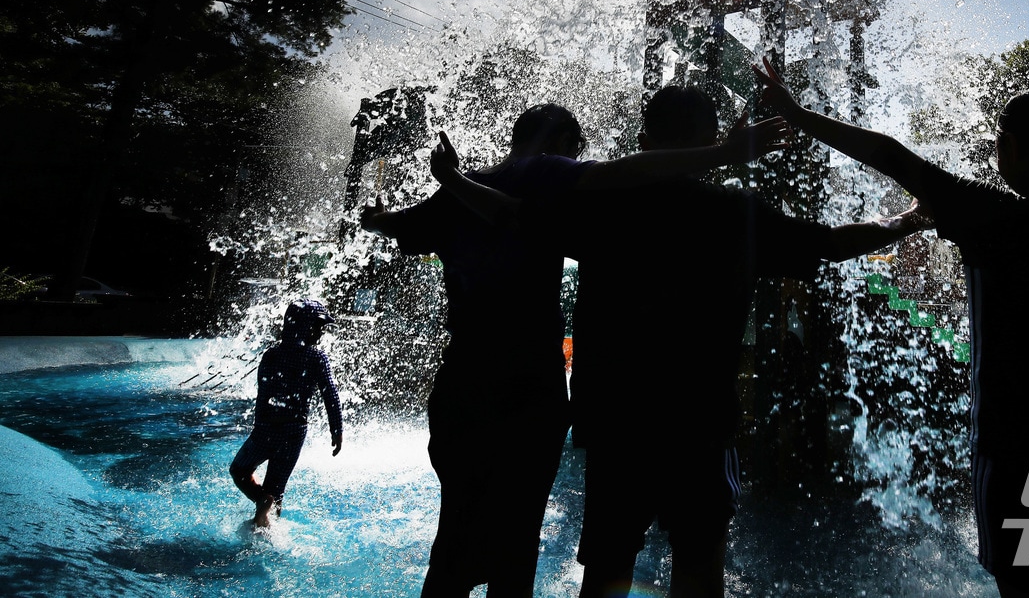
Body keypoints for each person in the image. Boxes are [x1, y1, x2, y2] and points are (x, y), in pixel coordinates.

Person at [428, 85, 933, 598]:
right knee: (699, 561)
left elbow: (510, 214)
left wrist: (454, 180)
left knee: (607, 567)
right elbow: (833, 243)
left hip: (614, 422)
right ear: (710, 139)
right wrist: (909, 219)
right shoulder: (738, 215)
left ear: (644, 140)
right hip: (701, 424)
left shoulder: (601, 206)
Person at [754, 59, 1029, 598]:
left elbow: (891, 155)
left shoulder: (1001, 220)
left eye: (1000, 142)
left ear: (1018, 152)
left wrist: (796, 114)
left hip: (1021, 457)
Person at [360, 102, 789, 598]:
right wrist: (722, 153)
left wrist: (376, 219)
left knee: (455, 527)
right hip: (527, 380)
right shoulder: (545, 172)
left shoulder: (458, 188)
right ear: (563, 143)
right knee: (517, 537)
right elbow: (629, 173)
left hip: (462, 378)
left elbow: (398, 226)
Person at [229, 298, 342, 528]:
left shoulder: (271, 355)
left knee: (239, 470)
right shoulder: (316, 358)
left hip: (266, 427)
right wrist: (337, 429)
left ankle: (261, 501)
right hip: (293, 430)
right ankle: (271, 531)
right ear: (304, 327)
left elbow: (263, 394)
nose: (320, 333)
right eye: (318, 327)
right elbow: (330, 394)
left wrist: (259, 426)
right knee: (276, 487)